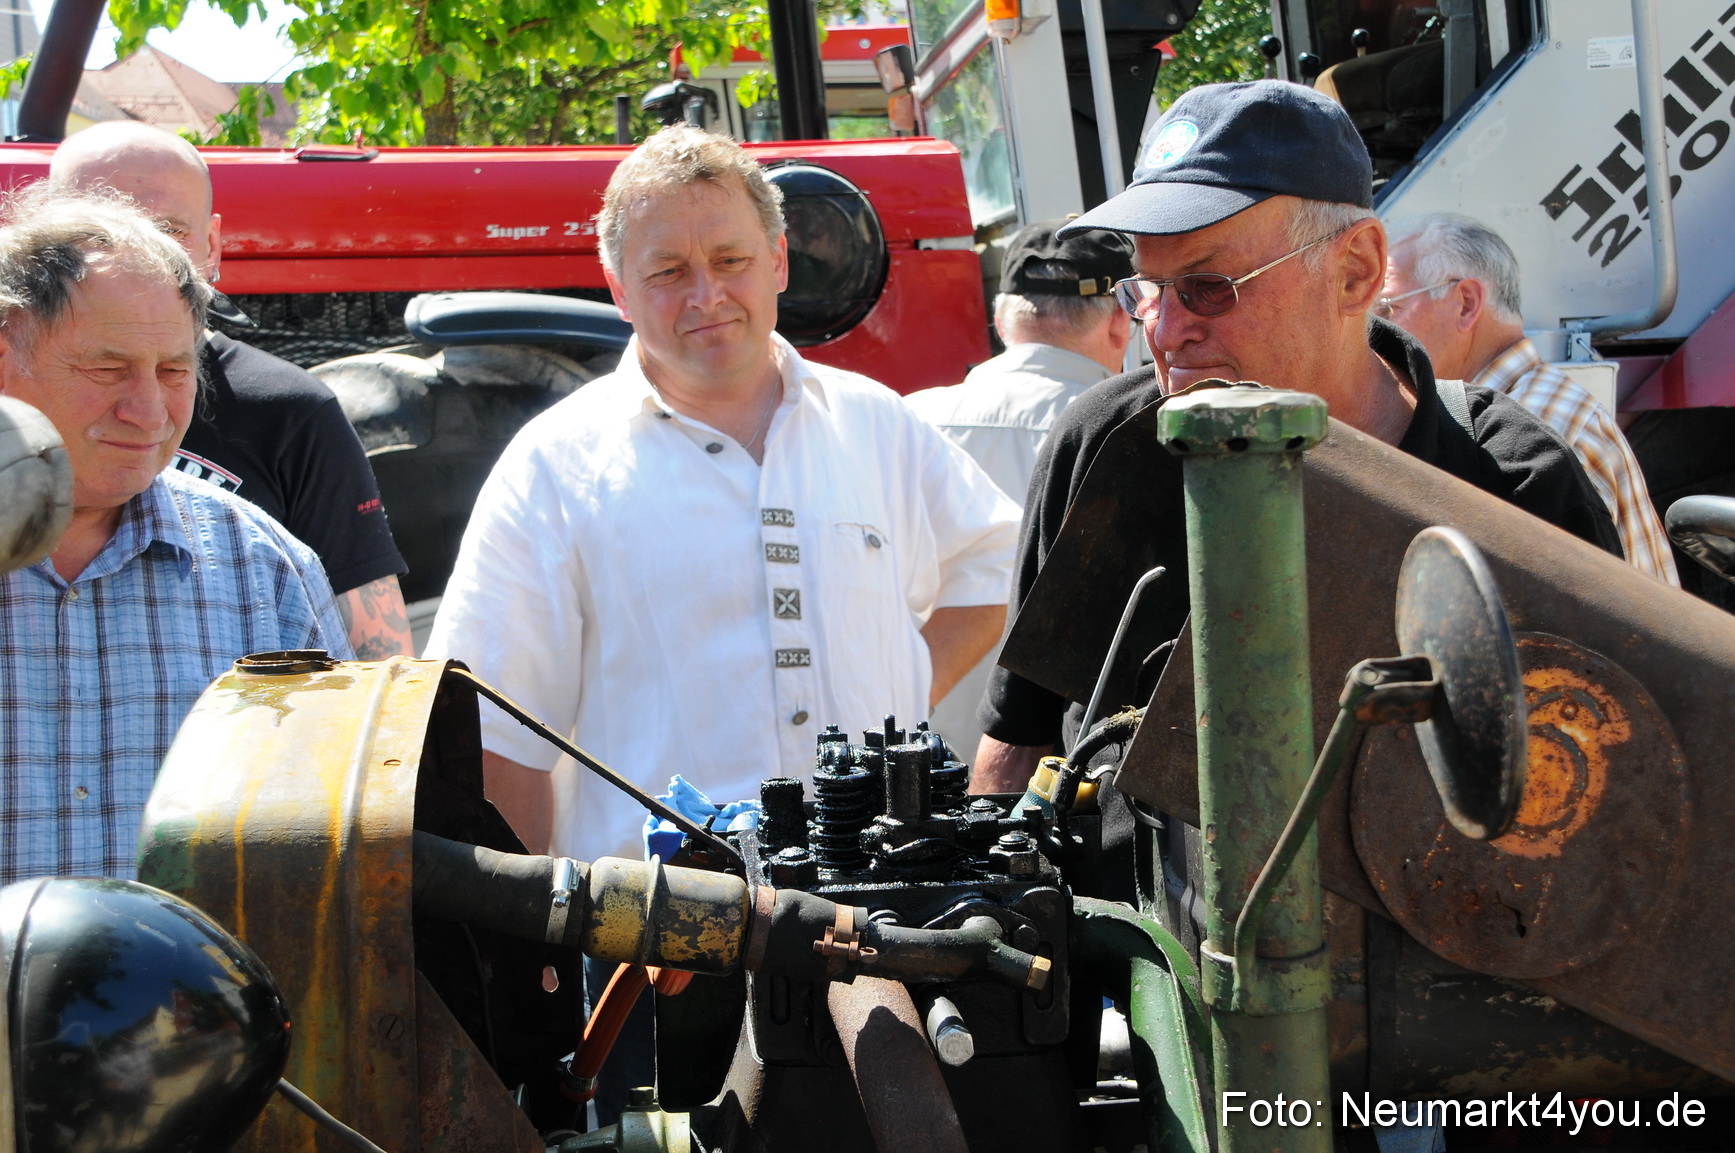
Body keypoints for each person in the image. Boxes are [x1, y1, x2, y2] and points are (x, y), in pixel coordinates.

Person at [974, 80, 1623, 792]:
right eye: (1147, 290)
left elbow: (1602, 792)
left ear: (1355, 272)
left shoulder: (1508, 482)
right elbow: (1016, 745)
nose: (1163, 332)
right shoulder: (1101, 443)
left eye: (1209, 286)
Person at [425, 124, 1018, 862]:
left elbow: (993, 564)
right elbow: (497, 736)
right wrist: (526, 924)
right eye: (668, 271)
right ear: (619, 290)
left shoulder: (876, 423)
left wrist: (902, 694)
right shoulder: (552, 468)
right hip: (663, 917)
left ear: (777, 261)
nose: (707, 294)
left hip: (877, 892)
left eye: (730, 260)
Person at [0, 185, 350, 886]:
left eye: (173, 372)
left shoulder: (263, 568)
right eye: (107, 369)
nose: (148, 410)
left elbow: (335, 836)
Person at [49, 122, 414, 659]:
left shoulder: (291, 412)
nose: (140, 257)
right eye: (101, 234)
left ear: (213, 245)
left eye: (168, 230)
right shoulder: (14, 400)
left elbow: (383, 665)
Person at [906, 218, 1134, 757]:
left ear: (1001, 319)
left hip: (909, 772)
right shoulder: (1132, 436)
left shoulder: (907, 422)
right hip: (1057, 782)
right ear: (1121, 323)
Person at [1382, 212, 1679, 585]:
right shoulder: (1510, 410)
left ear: (1466, 304)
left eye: (1389, 307)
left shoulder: (1529, 431)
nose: (1376, 329)